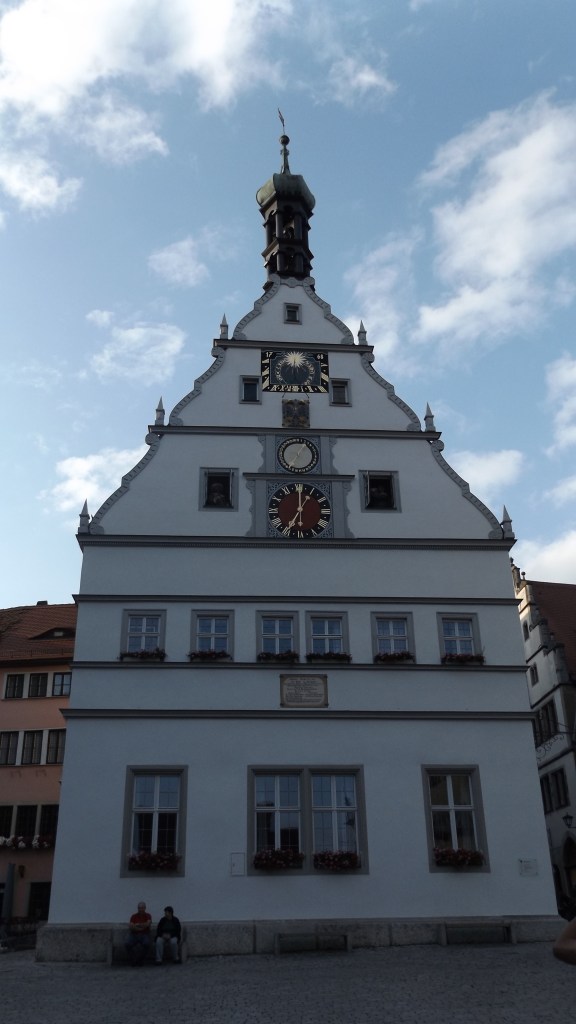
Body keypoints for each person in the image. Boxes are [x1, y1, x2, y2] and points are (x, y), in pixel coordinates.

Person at [125, 900, 152, 966]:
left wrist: (137, 925)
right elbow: (131, 927)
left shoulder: (148, 915)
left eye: (142, 908)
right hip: (134, 934)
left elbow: (148, 924)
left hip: (144, 934)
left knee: (146, 944)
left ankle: (140, 960)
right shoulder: (133, 916)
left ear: (145, 908)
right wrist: (142, 927)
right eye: (139, 908)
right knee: (127, 944)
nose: (140, 909)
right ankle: (134, 960)